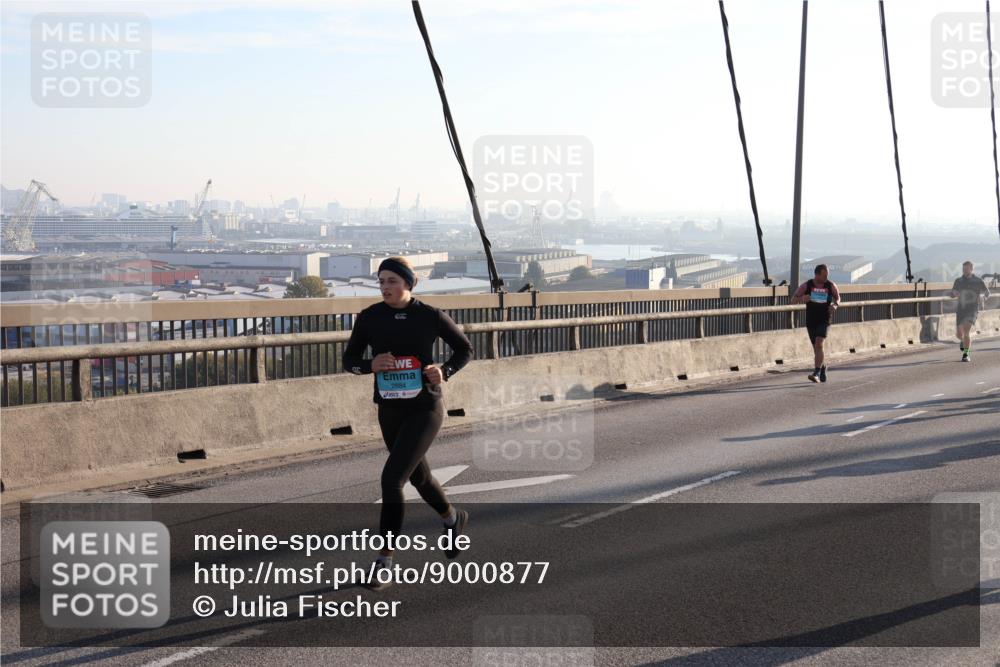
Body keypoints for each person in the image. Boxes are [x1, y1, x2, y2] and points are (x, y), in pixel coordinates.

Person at [343, 256, 474, 590]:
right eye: (381, 281)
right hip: (389, 408)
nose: (385, 287)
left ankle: (383, 562)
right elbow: (349, 361)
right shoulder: (370, 317)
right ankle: (451, 517)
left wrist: (444, 371)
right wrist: (370, 365)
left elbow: (465, 350)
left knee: (392, 480)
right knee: (420, 476)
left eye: (392, 281)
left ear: (408, 283)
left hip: (425, 407)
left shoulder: (429, 316)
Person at [791, 264, 841, 383]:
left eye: (827, 275)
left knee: (819, 343)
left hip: (825, 319)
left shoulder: (830, 285)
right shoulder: (807, 285)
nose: (826, 278)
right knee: (817, 348)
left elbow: (838, 298)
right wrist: (803, 298)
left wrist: (835, 305)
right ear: (817, 274)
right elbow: (793, 299)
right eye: (824, 276)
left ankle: (816, 372)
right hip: (811, 320)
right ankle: (822, 367)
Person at [950, 261, 991, 362]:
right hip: (961, 309)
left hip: (972, 309)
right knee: (959, 334)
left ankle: (966, 354)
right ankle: (963, 341)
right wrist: (954, 293)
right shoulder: (958, 281)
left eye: (966, 269)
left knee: (966, 331)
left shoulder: (978, 280)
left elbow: (987, 292)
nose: (964, 271)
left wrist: (985, 296)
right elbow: (952, 293)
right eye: (963, 269)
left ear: (971, 269)